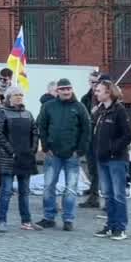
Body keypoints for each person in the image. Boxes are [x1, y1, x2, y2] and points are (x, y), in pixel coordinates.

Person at [36, 78, 91, 231]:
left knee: (71, 188)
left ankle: (68, 219)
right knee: (48, 187)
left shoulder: (80, 107)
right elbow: (42, 126)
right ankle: (48, 217)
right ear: (57, 91)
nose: (66, 92)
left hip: (72, 156)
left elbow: (86, 131)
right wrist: (46, 147)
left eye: (68, 89)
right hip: (53, 154)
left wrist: (80, 151)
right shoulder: (48, 107)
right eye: (63, 89)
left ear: (71, 90)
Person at [0, 85, 40, 233]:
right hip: (9, 159)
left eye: (21, 94)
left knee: (25, 191)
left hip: (25, 157)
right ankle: (2, 220)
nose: (19, 97)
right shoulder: (3, 113)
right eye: (16, 94)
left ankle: (26, 221)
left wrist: (33, 149)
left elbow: (35, 131)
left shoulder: (28, 114)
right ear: (9, 98)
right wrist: (11, 151)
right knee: (6, 191)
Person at [92, 80, 131, 240]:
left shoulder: (120, 111)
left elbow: (129, 135)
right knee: (108, 194)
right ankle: (110, 225)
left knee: (118, 194)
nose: (96, 93)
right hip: (101, 158)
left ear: (108, 92)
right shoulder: (101, 111)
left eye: (99, 91)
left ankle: (120, 227)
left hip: (116, 159)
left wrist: (113, 149)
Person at [79, 70, 106, 209]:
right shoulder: (85, 98)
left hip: (101, 139)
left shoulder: (105, 99)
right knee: (91, 167)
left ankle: (95, 197)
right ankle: (93, 192)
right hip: (89, 137)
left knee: (99, 169)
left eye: (97, 82)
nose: (94, 85)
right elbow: (82, 117)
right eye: (92, 82)